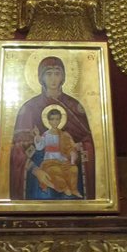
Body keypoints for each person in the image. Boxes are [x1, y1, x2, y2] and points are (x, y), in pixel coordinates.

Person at [10, 56, 95, 200]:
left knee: (70, 194)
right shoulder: (29, 108)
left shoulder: (74, 106)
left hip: (68, 161)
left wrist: (75, 148)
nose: (53, 79)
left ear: (63, 77)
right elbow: (17, 148)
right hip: (40, 165)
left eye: (57, 73)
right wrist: (36, 171)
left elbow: (88, 141)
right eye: (48, 74)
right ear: (41, 77)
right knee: (44, 195)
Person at [33, 108, 82, 198]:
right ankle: (64, 188)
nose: (55, 121)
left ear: (60, 120)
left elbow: (70, 147)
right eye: (52, 119)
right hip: (50, 162)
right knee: (55, 171)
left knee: (74, 169)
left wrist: (73, 149)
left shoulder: (64, 134)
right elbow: (39, 147)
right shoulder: (46, 134)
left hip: (63, 161)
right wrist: (37, 135)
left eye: (57, 119)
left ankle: (74, 190)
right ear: (48, 121)